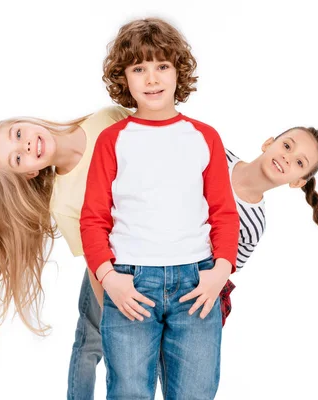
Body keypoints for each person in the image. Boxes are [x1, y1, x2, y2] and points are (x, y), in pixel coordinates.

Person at [0, 106, 132, 399]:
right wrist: (113, 317)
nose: (26, 145)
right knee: (92, 338)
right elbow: (93, 262)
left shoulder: (105, 119)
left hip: (157, 250)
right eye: (18, 158)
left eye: (18, 134)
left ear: (27, 120)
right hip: (111, 268)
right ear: (30, 172)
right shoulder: (63, 201)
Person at [80, 17, 239, 399]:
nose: (152, 79)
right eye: (139, 68)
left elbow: (223, 212)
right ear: (125, 78)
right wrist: (109, 277)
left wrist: (220, 271)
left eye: (162, 66)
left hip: (197, 284)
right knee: (129, 391)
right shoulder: (112, 140)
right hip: (131, 284)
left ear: (177, 71)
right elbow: (93, 218)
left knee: (195, 393)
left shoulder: (204, 137)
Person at [210, 126, 318, 326]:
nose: (287, 158)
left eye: (299, 162)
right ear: (268, 143)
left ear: (298, 182)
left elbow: (223, 270)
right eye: (287, 146)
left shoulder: (253, 225)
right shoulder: (215, 153)